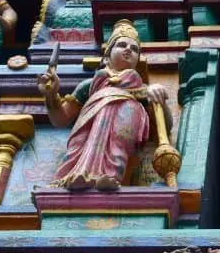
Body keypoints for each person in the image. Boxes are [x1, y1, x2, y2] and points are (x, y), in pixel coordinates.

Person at [37, 19, 171, 191]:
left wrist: (158, 97)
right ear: (108, 54)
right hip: (88, 131)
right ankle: (76, 177)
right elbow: (60, 119)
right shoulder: (90, 86)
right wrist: (50, 95)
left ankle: (111, 178)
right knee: (81, 148)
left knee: (118, 146)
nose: (128, 49)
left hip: (124, 123)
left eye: (134, 48)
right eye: (121, 45)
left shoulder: (142, 90)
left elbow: (165, 126)